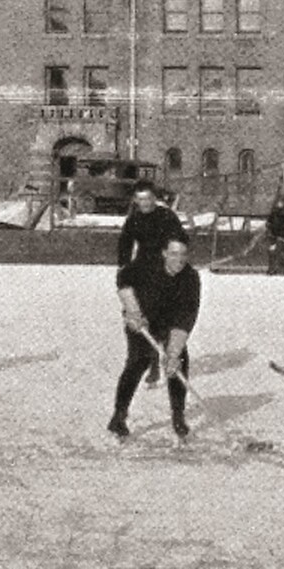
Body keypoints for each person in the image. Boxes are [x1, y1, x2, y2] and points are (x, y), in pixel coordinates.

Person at [108, 232, 202, 442]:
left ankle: (178, 417)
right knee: (138, 362)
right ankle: (119, 415)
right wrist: (132, 309)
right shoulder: (145, 266)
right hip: (141, 321)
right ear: (164, 253)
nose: (178, 259)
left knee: (178, 364)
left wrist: (174, 352)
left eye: (183, 254)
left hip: (170, 325)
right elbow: (122, 278)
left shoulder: (191, 278)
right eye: (173, 253)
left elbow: (186, 316)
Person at [116, 180, 185, 386]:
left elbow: (180, 240)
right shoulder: (134, 219)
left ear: (155, 198)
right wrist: (124, 267)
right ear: (136, 200)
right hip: (142, 270)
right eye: (140, 199)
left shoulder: (167, 217)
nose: (144, 203)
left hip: (165, 268)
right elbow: (125, 244)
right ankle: (152, 361)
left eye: (148, 198)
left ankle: (166, 356)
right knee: (141, 315)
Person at [265, 194, 284, 276]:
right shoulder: (273, 212)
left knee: (283, 251)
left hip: (283, 234)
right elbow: (269, 223)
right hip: (273, 234)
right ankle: (272, 268)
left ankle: (283, 268)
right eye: (279, 202)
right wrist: (270, 231)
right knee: (272, 252)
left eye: (281, 202)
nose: (280, 204)